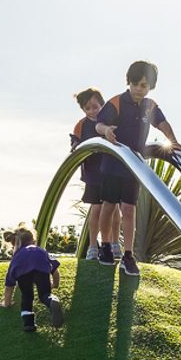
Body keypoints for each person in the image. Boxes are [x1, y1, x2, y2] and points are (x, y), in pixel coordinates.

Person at [93, 59, 181, 277]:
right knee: (109, 205)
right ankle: (105, 245)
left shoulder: (149, 105)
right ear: (129, 82)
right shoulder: (117, 102)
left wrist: (172, 141)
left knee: (129, 209)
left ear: (150, 86)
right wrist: (106, 130)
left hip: (133, 165)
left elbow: (162, 123)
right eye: (135, 84)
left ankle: (128, 254)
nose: (138, 89)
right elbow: (99, 124)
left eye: (143, 85)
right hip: (114, 161)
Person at [70, 88, 121, 261]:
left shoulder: (108, 122)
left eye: (95, 107)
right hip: (92, 173)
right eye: (88, 108)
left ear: (102, 105)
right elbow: (75, 143)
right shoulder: (81, 125)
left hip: (111, 171)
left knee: (113, 208)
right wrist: (75, 146)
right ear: (83, 110)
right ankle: (93, 245)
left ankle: (114, 243)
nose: (92, 111)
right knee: (96, 209)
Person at [0, 224, 64, 333]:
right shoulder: (40, 251)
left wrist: (6, 303)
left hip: (23, 275)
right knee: (44, 294)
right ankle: (52, 300)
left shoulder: (16, 258)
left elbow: (9, 285)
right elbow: (55, 270)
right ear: (33, 241)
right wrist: (55, 284)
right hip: (42, 271)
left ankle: (29, 324)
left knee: (27, 297)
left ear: (14, 244)